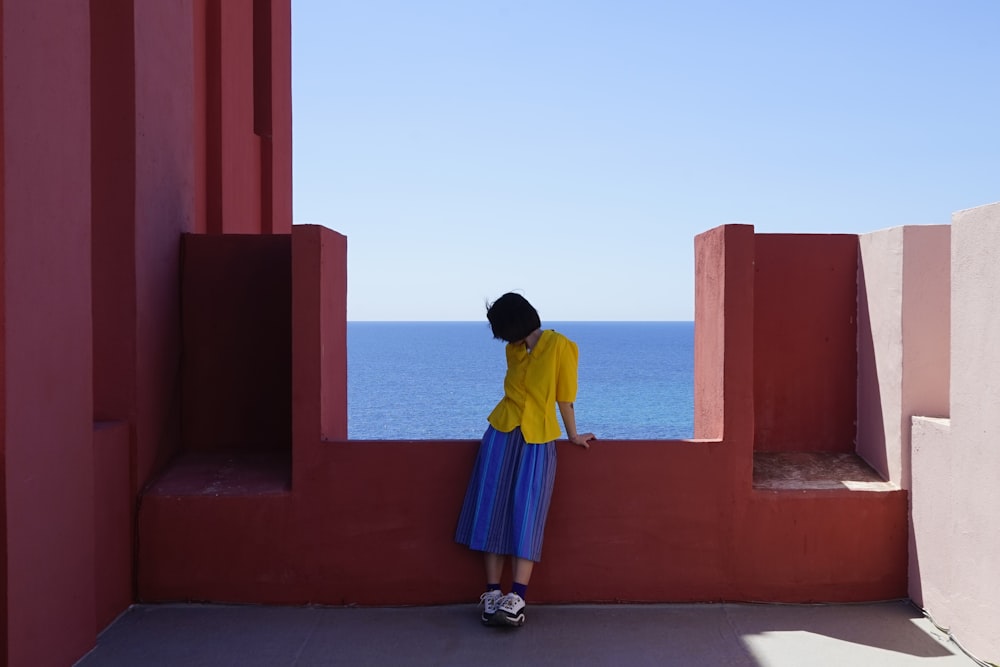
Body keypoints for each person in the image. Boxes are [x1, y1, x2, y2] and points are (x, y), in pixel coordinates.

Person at [455, 292, 596, 627]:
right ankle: (492, 593)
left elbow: (564, 397)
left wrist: (573, 435)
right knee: (491, 510)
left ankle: (516, 597)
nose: (503, 338)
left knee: (527, 513)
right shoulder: (513, 350)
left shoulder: (562, 347)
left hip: (537, 439)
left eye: (504, 329)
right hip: (501, 434)